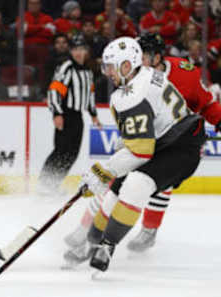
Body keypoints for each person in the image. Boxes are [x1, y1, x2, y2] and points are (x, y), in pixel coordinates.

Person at [62, 33, 221, 264]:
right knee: (115, 188)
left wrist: (104, 169)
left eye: (143, 56)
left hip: (177, 143)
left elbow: (205, 101)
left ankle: (146, 230)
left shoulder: (179, 73)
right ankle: (90, 238)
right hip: (154, 140)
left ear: (156, 57)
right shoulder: (141, 78)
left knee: (140, 183)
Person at [37, 34, 102, 196]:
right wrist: (57, 113)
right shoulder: (66, 67)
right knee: (60, 150)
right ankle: (44, 184)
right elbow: (54, 90)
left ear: (86, 51)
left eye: (81, 49)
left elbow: (89, 94)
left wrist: (93, 114)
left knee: (72, 154)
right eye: (75, 49)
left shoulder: (88, 70)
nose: (78, 53)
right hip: (65, 114)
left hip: (78, 116)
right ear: (71, 51)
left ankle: (53, 185)